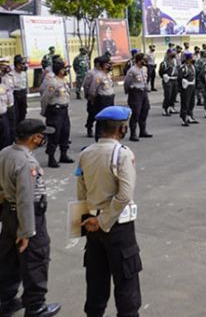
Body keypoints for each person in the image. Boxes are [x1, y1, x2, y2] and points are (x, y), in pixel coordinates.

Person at [77, 106, 142, 317]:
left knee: (96, 278)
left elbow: (81, 192)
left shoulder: (85, 153)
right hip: (117, 227)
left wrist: (91, 220)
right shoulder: (122, 154)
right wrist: (104, 220)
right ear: (122, 129)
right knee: (126, 281)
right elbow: (124, 195)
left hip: (93, 225)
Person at [0, 119, 61, 317]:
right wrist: (26, 231)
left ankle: (6, 300)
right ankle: (35, 307)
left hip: (8, 212)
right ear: (35, 138)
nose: (44, 139)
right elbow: (25, 197)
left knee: (9, 259)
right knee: (36, 259)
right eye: (42, 136)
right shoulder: (27, 162)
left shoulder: (5, 152)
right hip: (28, 215)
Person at [40, 60, 72, 168]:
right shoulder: (53, 82)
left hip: (64, 110)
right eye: (65, 69)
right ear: (60, 70)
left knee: (65, 132)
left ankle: (64, 155)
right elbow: (45, 98)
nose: (67, 70)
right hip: (55, 111)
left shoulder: (63, 81)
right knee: (54, 134)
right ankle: (51, 158)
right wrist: (44, 111)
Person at [123, 53, 152, 142]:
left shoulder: (145, 69)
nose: (145, 61)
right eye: (143, 60)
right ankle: (133, 134)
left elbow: (146, 80)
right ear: (139, 61)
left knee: (145, 110)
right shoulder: (132, 70)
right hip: (135, 93)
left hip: (143, 92)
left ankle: (142, 131)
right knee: (136, 113)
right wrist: (129, 92)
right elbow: (127, 83)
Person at [87, 56, 115, 141]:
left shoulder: (108, 75)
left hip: (110, 99)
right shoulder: (98, 76)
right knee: (102, 120)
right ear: (103, 65)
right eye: (108, 64)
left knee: (109, 119)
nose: (110, 66)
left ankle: (107, 137)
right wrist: (92, 100)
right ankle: (99, 138)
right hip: (102, 100)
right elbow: (92, 90)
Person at [178, 52, 198, 127]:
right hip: (185, 87)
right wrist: (181, 88)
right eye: (190, 59)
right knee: (185, 103)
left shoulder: (192, 67)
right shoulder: (183, 67)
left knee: (191, 102)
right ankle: (183, 118)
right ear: (187, 59)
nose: (192, 60)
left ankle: (190, 116)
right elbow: (180, 78)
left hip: (192, 86)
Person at [159, 49, 179, 117]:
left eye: (174, 52)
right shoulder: (164, 63)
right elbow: (161, 72)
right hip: (168, 80)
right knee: (168, 95)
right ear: (168, 54)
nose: (173, 54)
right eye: (172, 53)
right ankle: (165, 109)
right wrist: (164, 76)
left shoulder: (175, 61)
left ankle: (171, 107)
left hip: (175, 80)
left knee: (174, 95)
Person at [11, 55, 27, 125]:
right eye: (22, 64)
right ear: (17, 65)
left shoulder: (23, 73)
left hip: (23, 93)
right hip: (15, 94)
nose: (24, 65)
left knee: (23, 112)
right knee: (16, 113)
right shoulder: (11, 74)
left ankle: (22, 127)